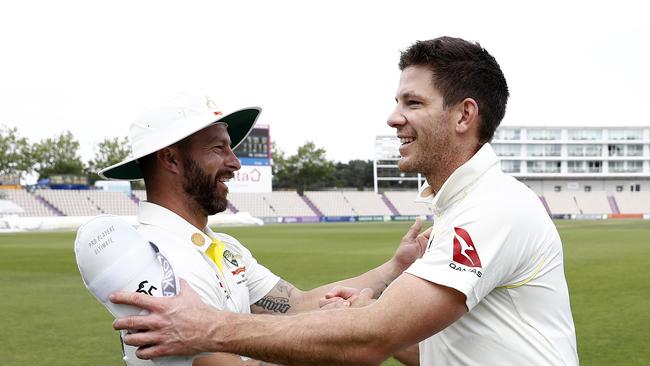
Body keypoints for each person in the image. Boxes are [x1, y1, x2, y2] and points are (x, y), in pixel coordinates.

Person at [111, 37, 579, 365]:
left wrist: (208, 328)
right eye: (219, 147)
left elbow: (365, 335)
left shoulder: (491, 208)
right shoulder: (147, 255)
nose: (393, 118)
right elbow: (431, 349)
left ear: (464, 115)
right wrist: (375, 301)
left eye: (412, 103)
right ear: (169, 159)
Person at [96, 92, 427, 365]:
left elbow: (294, 304)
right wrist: (332, 335)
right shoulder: (152, 261)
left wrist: (396, 268)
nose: (235, 162)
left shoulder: (222, 246)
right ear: (171, 160)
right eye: (218, 148)